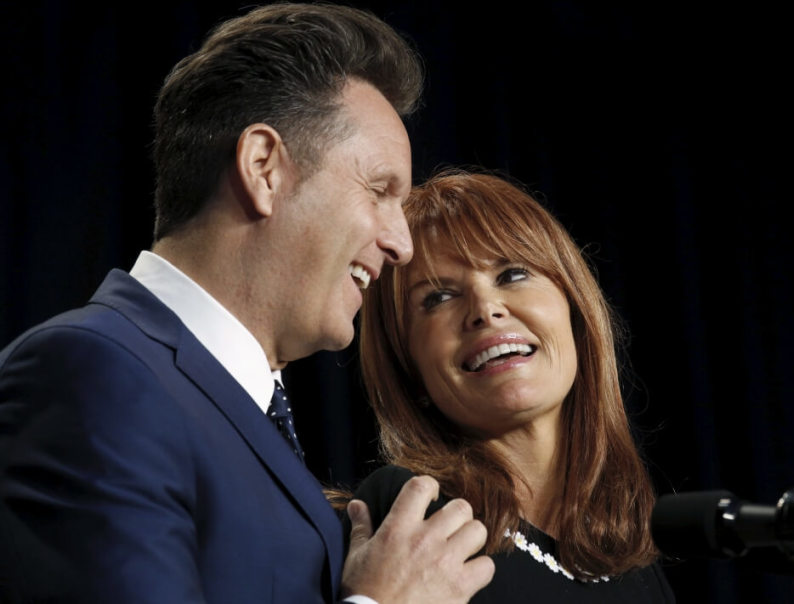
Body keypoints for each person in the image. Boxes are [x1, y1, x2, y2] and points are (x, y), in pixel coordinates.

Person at [0, 4, 493, 603]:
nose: (401, 244)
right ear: (264, 168)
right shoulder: (92, 373)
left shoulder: (236, 409)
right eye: (379, 190)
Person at [349, 169, 676, 602]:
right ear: (409, 368)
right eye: (438, 298)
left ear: (576, 314)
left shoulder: (636, 566)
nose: (485, 309)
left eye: (512, 274)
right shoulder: (414, 513)